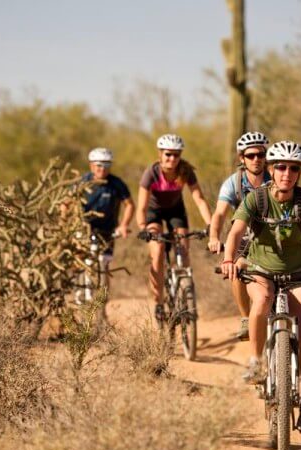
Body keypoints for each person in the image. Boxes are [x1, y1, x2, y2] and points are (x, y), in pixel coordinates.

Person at [219, 141, 301, 434]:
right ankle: (256, 362)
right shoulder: (257, 199)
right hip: (260, 270)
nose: (286, 173)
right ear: (271, 169)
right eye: (280, 167)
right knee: (262, 300)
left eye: (293, 168)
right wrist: (229, 260)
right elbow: (236, 229)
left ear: (299, 173)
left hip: (297, 273)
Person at [136, 134, 213, 322]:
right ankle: (158, 302)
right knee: (158, 251)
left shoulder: (185, 172)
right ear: (160, 154)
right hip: (154, 214)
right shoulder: (151, 173)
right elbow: (142, 207)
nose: (172, 159)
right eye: (168, 154)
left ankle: (186, 292)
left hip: (176, 212)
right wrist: (142, 227)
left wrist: (211, 224)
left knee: (184, 249)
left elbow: (199, 199)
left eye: (176, 155)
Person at [207, 131, 271, 341]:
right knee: (236, 266)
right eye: (250, 155)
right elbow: (219, 213)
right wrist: (214, 237)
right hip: (245, 235)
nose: (256, 160)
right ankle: (245, 318)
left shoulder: (277, 176)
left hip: (275, 234)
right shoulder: (232, 184)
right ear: (241, 158)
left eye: (260, 155)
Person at [79, 147, 134, 300]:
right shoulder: (82, 182)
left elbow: (129, 204)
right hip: (84, 229)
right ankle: (79, 296)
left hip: (107, 231)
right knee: (83, 261)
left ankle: (102, 304)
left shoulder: (116, 184)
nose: (102, 169)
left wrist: (123, 225)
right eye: (99, 165)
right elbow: (67, 203)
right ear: (91, 165)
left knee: (104, 263)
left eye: (107, 165)